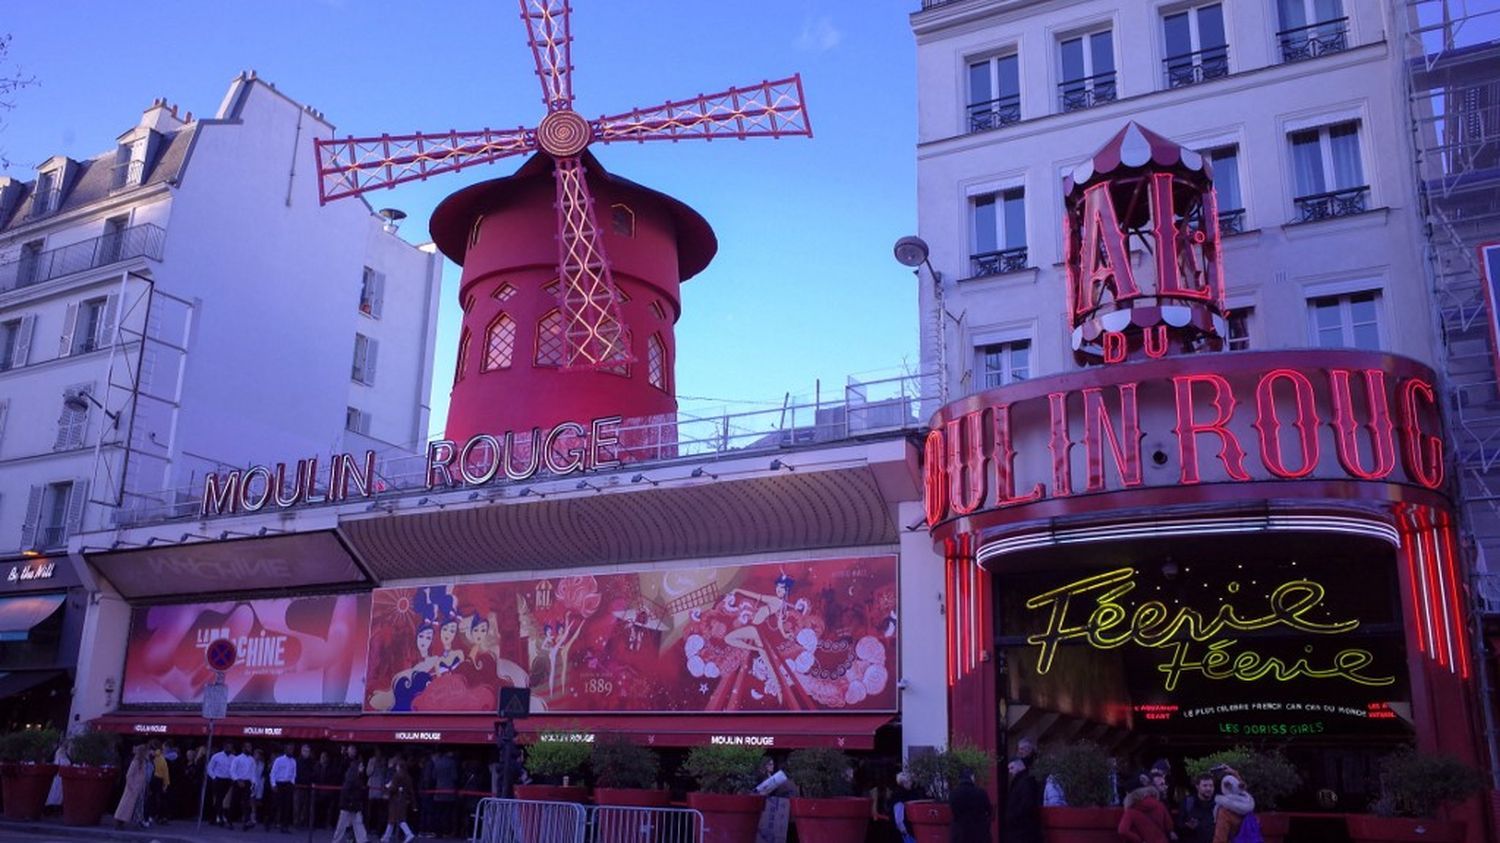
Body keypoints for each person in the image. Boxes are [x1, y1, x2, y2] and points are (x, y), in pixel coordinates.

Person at [332, 750, 370, 843]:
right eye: (361, 766)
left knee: (357, 822)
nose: (363, 767)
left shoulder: (355, 776)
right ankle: (336, 841)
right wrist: (351, 801)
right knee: (343, 825)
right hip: (349, 804)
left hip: (352, 804)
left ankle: (363, 840)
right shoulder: (352, 777)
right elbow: (346, 791)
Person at [1001, 756, 1041, 843]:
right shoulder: (1021, 782)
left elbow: (1027, 805)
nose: (1010, 771)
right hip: (1020, 830)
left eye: (1012, 768)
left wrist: (1013, 818)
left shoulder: (1025, 782)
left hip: (1022, 831)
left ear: (1019, 766)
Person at [1210, 766, 1254, 843]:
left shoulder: (1224, 811)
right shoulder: (1247, 803)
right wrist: (1236, 774)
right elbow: (1241, 788)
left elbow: (1220, 838)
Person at [950, 767, 993, 843]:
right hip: (979, 833)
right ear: (972, 777)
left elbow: (953, 811)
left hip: (961, 833)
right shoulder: (981, 792)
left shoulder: (954, 793)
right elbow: (989, 810)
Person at [382, 755, 416, 843]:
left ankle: (409, 834)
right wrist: (413, 803)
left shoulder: (397, 776)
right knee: (394, 819)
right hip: (403, 800)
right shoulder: (408, 777)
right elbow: (410, 790)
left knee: (396, 819)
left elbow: (393, 788)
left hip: (395, 801)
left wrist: (387, 790)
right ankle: (386, 837)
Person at [114, 745, 150, 829]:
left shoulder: (142, 762)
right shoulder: (136, 762)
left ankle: (131, 822)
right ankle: (120, 822)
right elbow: (129, 775)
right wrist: (131, 786)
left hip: (138, 787)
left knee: (134, 806)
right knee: (126, 806)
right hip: (133, 787)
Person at [1180, 774, 1217, 843]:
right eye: (1205, 785)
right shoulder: (1188, 803)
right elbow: (1179, 826)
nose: (1208, 789)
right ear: (1197, 786)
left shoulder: (1218, 804)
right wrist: (1188, 827)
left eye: (1211, 786)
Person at [207, 741, 235, 826]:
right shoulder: (217, 756)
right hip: (218, 780)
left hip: (229, 780)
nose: (229, 749)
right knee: (218, 799)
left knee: (224, 800)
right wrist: (214, 777)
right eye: (228, 747)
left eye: (231, 747)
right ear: (224, 747)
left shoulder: (234, 758)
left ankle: (215, 817)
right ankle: (219, 817)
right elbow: (209, 768)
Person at [272, 744, 298, 833]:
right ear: (285, 750)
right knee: (276, 805)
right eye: (289, 749)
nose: (291, 751)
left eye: (292, 749)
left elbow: (294, 773)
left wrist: (292, 783)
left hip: (288, 784)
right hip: (279, 783)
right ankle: (269, 821)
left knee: (287, 806)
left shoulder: (294, 761)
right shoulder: (279, 760)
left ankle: (284, 826)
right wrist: (273, 784)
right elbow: (273, 772)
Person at [231, 742, 256, 828]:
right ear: (243, 748)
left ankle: (246, 821)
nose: (250, 749)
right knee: (234, 801)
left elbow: (253, 772)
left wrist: (253, 783)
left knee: (247, 803)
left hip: (248, 782)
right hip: (238, 782)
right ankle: (230, 820)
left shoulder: (252, 760)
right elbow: (232, 771)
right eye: (248, 747)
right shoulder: (237, 759)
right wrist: (237, 780)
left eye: (250, 747)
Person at [891, 770, 919, 843]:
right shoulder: (900, 796)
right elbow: (899, 817)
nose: (911, 783)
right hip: (907, 832)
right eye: (909, 781)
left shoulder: (905, 794)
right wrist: (904, 830)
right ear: (904, 783)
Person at [367, 747, 389, 832]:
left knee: (380, 810)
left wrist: (381, 765)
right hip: (372, 788)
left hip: (380, 788)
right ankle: (370, 826)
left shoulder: (384, 761)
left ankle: (378, 828)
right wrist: (373, 765)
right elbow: (368, 773)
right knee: (371, 809)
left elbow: (385, 773)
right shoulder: (371, 760)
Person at [294, 744, 315, 828]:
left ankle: (303, 822)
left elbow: (313, 773)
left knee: (306, 806)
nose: (307, 753)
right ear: (301, 751)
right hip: (298, 786)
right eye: (305, 751)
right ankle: (296, 822)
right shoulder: (297, 761)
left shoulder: (311, 762)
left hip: (307, 786)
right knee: (297, 805)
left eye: (308, 751)